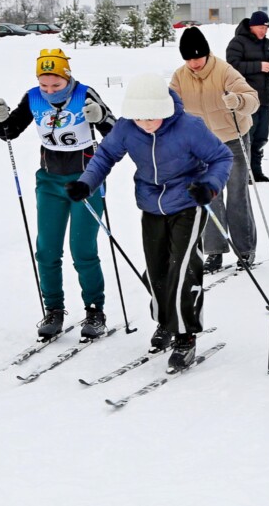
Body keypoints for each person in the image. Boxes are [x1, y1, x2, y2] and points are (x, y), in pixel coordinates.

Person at [67, 75, 233, 371]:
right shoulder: (126, 128)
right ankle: (166, 322)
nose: (145, 123)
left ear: (164, 109)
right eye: (139, 117)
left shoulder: (189, 127)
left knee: (183, 268)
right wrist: (86, 183)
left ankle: (185, 336)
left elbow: (222, 157)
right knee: (157, 270)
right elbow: (104, 156)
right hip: (150, 205)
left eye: (152, 117)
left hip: (187, 204)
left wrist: (209, 186)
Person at [0, 49, 116, 339]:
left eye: (56, 85)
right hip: (49, 182)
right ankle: (54, 310)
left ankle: (95, 311)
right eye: (44, 84)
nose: (49, 91)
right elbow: (10, 132)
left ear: (67, 78)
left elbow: (116, 133)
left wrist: (100, 117)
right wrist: (0, 121)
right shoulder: (33, 97)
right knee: (46, 250)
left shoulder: (84, 94)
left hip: (85, 181)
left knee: (82, 250)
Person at [171, 27, 260, 273]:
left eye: (197, 57)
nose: (194, 63)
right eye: (188, 59)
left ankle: (245, 248)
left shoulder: (224, 71)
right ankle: (215, 250)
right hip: (203, 145)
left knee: (237, 194)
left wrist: (239, 101)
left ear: (207, 53)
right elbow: (171, 104)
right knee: (209, 196)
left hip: (233, 139)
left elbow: (252, 99)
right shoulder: (180, 76)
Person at [226, 11, 269, 182]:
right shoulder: (237, 42)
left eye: (266, 28)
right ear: (251, 26)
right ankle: (245, 174)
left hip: (264, 99)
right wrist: (259, 66)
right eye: (261, 27)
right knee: (246, 137)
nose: (264, 31)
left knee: (261, 137)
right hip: (245, 100)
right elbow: (232, 66)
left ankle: (256, 172)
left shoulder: (268, 44)